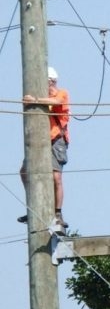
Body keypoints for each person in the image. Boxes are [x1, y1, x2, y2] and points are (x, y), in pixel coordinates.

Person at [18, 66, 70, 228]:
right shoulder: (40, 97)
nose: (50, 87)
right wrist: (29, 100)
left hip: (56, 141)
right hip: (39, 142)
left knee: (56, 178)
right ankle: (34, 206)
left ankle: (58, 213)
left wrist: (35, 101)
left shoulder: (62, 93)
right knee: (25, 172)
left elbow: (57, 101)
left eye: (50, 83)